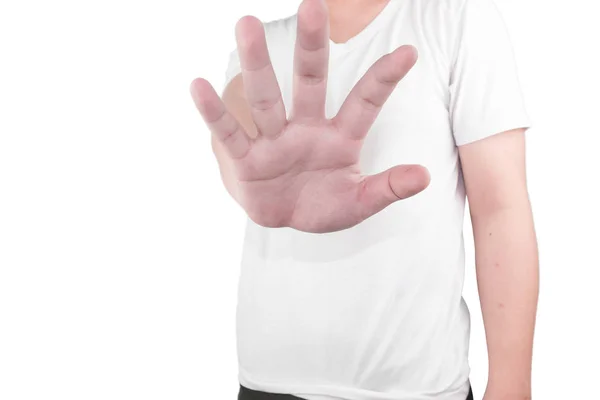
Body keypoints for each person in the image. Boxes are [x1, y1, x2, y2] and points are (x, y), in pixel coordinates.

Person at [190, 0, 539, 398]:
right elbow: (236, 155)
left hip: (416, 390)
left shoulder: (456, 22)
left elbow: (500, 208)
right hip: (268, 384)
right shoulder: (258, 51)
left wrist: (512, 385)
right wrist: (253, 181)